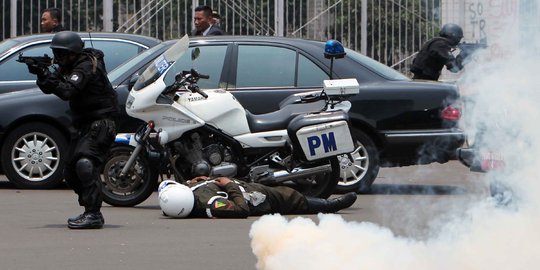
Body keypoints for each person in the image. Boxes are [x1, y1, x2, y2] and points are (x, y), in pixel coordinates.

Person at [28, 31, 118, 229]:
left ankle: (93, 214)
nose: (58, 59)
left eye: (61, 54)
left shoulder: (85, 66)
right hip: (84, 125)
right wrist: (42, 73)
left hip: (101, 123)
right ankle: (89, 206)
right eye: (56, 54)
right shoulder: (69, 65)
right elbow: (52, 86)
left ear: (73, 53)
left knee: (85, 165)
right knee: (70, 172)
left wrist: (49, 78)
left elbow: (67, 91)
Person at [158, 176, 357, 218]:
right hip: (258, 200)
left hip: (249, 186)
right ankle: (331, 205)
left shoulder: (180, 198)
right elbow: (241, 210)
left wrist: (198, 180)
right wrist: (230, 185)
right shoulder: (212, 205)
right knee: (291, 198)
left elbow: (172, 193)